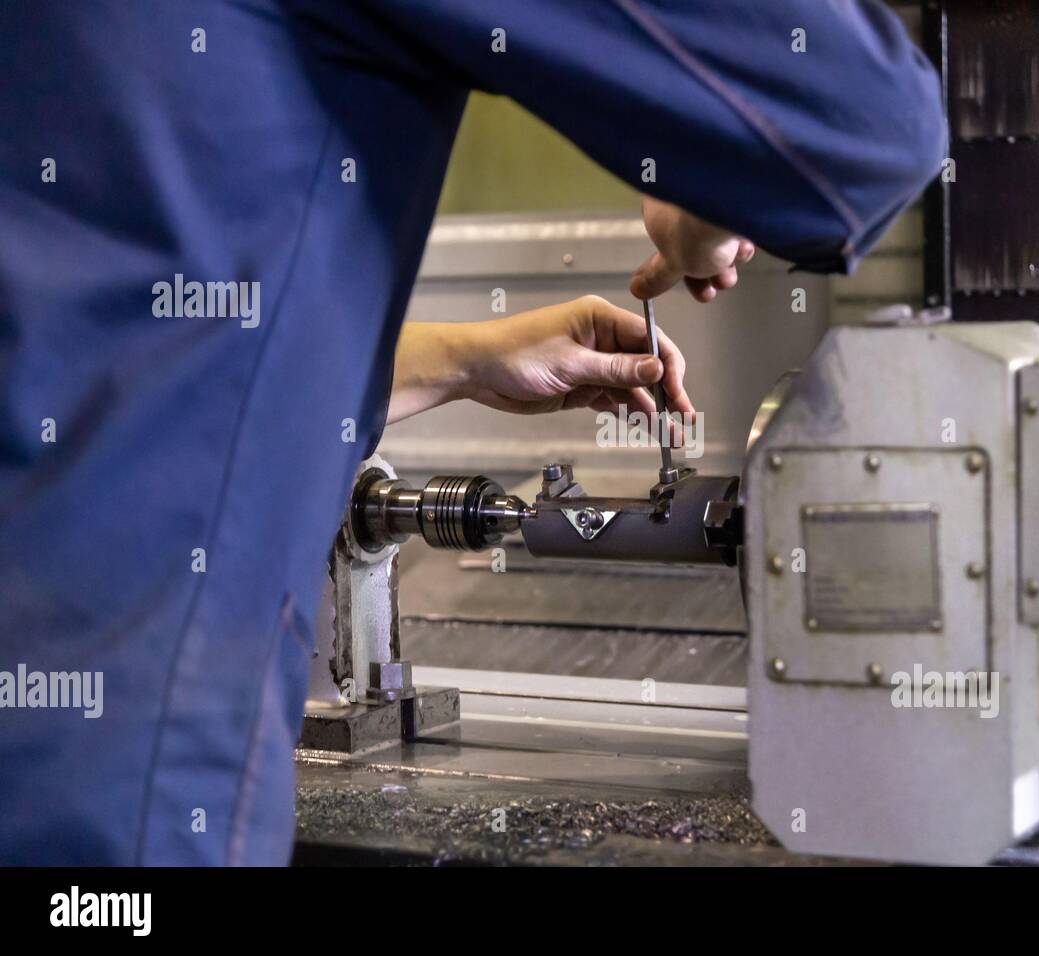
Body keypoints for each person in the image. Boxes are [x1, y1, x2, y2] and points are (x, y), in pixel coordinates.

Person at [0, 1, 946, 864]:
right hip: (105, 763)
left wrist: (460, 357)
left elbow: (128, 330)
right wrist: (702, 199)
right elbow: (869, 128)